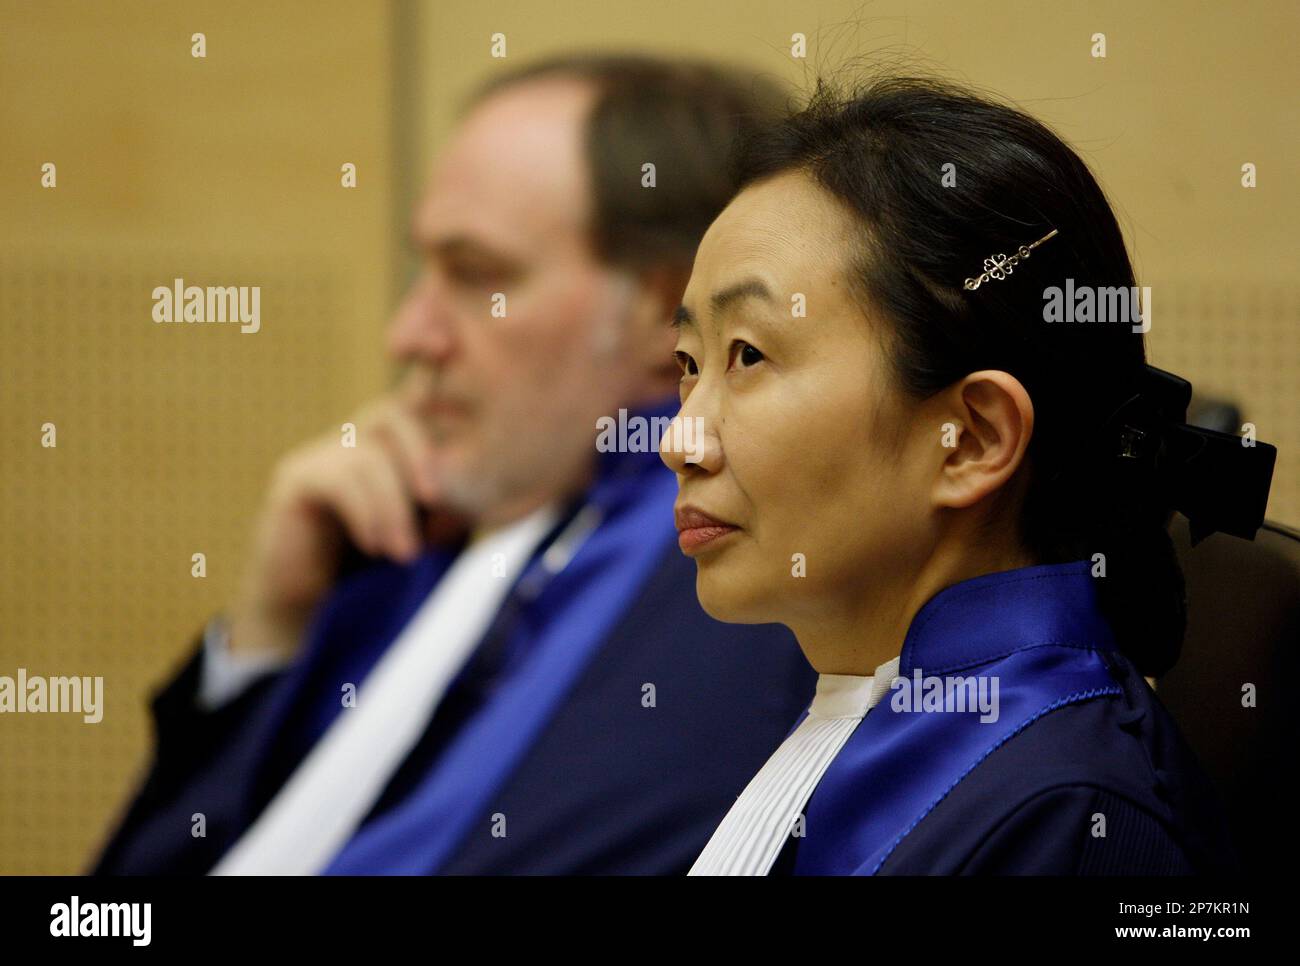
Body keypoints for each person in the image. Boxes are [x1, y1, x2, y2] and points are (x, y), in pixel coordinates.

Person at [91, 53, 817, 875]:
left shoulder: (733, 581)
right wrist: (271, 633)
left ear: (664, 307)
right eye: (422, 272)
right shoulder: (402, 539)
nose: (410, 337)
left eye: (477, 278)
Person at [658, 74, 1276, 875]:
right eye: (686, 362)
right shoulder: (869, 703)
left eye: (749, 354)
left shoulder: (1068, 817)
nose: (681, 439)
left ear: (971, 438)